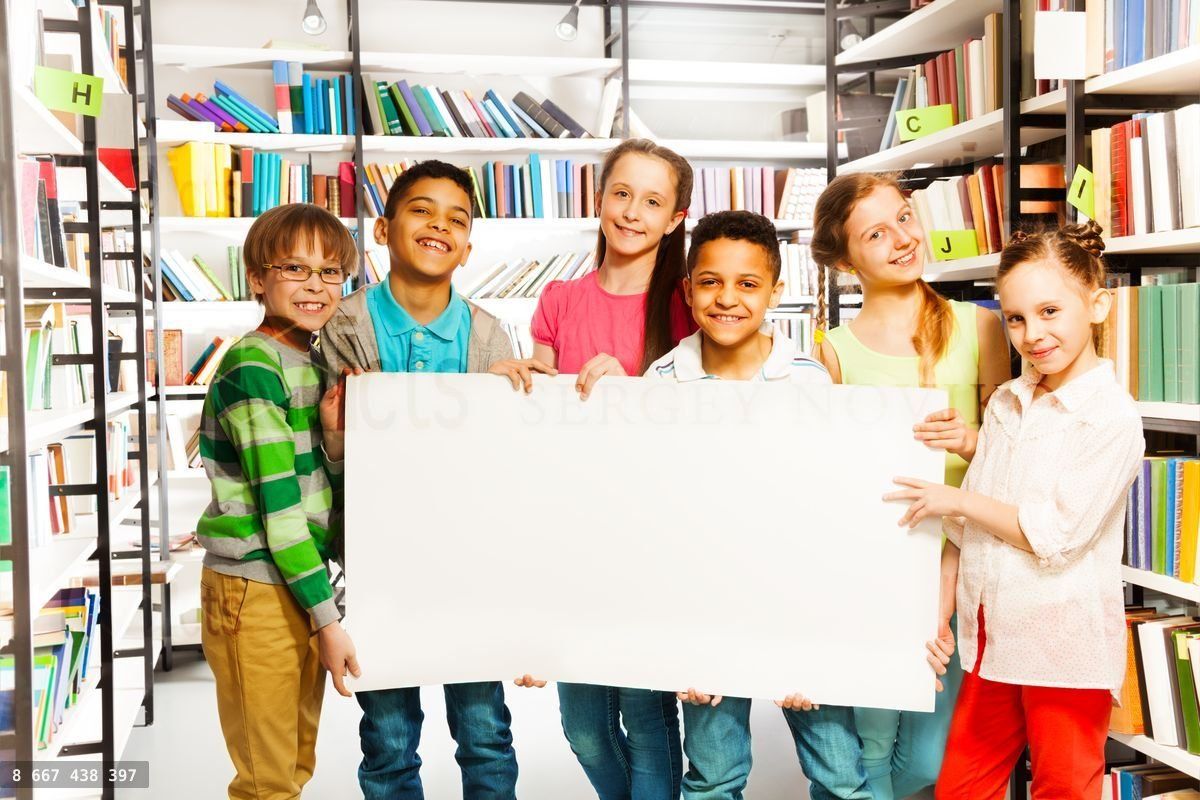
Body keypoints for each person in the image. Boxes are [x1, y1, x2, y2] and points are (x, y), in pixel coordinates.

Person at [889, 221, 1144, 799]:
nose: (1033, 333)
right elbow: (965, 527)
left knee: (1063, 790)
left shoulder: (1111, 417)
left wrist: (956, 498)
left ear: (1098, 306)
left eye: (1051, 311)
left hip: (1062, 648)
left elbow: (1053, 536)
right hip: (989, 643)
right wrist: (939, 611)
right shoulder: (1006, 400)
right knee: (960, 789)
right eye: (1016, 318)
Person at [322, 159, 544, 799]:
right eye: (421, 210)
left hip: (467, 561)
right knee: (389, 737)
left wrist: (509, 407)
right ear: (384, 229)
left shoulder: (489, 334)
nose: (438, 226)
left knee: (484, 732)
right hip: (378, 562)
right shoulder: (346, 325)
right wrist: (340, 430)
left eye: (456, 219)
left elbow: (503, 461)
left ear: (469, 246)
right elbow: (328, 452)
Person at [648, 210, 872, 800]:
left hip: (800, 606)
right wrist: (680, 646)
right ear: (688, 288)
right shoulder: (659, 383)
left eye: (748, 284)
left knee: (840, 775)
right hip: (706, 614)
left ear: (775, 291)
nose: (727, 298)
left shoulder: (809, 382)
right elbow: (653, 518)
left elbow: (829, 512)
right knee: (714, 777)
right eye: (710, 281)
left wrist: (816, 638)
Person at [810, 172, 1011, 799]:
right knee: (869, 741)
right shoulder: (830, 352)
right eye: (877, 233)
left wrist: (972, 440)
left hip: (961, 561)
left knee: (928, 759)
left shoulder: (977, 328)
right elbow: (828, 474)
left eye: (904, 217)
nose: (902, 238)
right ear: (846, 261)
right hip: (879, 563)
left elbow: (1014, 450)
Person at [196, 203, 361, 799]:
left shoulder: (311, 362)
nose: (315, 285)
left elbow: (315, 481)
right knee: (268, 781)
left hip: (296, 580)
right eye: (295, 267)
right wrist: (328, 619)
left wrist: (335, 437)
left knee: (292, 764)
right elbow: (280, 510)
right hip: (257, 588)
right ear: (258, 279)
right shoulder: (254, 365)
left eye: (330, 271)